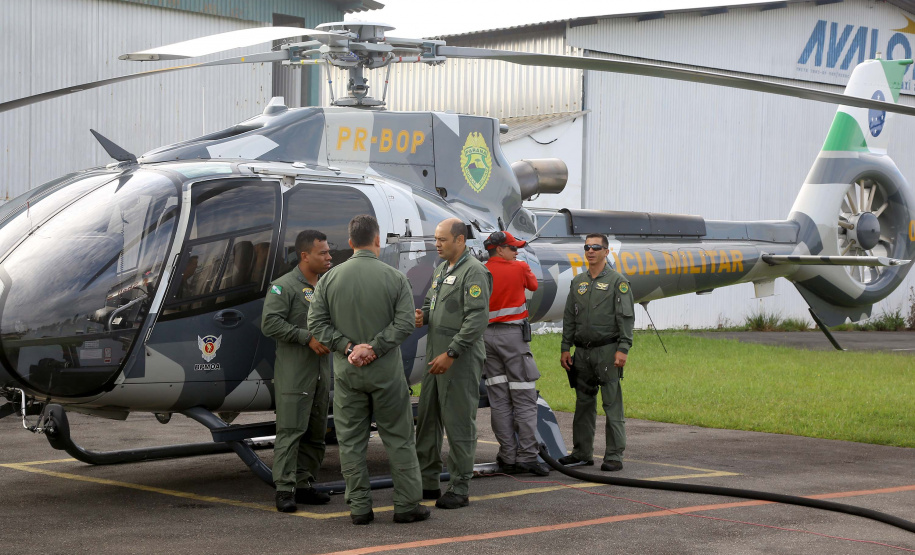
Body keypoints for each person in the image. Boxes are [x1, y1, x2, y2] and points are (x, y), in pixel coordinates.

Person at [307, 215, 429, 525]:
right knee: (399, 439)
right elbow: (404, 324)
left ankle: (359, 508)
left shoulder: (329, 279)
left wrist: (349, 348)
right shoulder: (395, 278)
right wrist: (373, 347)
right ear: (377, 240)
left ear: (349, 243)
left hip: (348, 374)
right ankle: (406, 506)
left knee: (351, 443)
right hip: (386, 373)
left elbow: (316, 325)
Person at [414, 218, 492, 510]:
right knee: (428, 421)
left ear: (460, 240)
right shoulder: (441, 269)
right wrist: (424, 316)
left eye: (443, 239)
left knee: (458, 424)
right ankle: (428, 481)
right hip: (436, 356)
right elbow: (435, 305)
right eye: (436, 239)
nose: (437, 244)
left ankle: (460, 487)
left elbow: (476, 320)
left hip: (458, 359)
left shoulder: (474, 272)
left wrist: (452, 353)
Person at [261, 230, 333, 512]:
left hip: (320, 373)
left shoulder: (327, 285)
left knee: (316, 433)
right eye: (323, 253)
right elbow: (270, 324)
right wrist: (307, 338)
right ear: (305, 255)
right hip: (295, 373)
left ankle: (304, 484)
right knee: (291, 431)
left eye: (329, 252)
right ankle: (284, 488)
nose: (329, 257)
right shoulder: (284, 286)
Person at [559, 233, 634, 472]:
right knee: (583, 403)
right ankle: (582, 452)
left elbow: (625, 317)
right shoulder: (578, 281)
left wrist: (623, 348)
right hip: (582, 353)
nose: (590, 251)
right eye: (587, 247)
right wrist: (565, 347)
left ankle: (614, 455)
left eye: (595, 247)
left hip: (607, 351)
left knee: (612, 404)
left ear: (606, 251)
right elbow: (570, 315)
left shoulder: (617, 282)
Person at [482, 231, 550, 477]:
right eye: (512, 248)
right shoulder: (519, 268)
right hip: (513, 339)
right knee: (523, 398)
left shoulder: (480, 270)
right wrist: (521, 266)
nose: (517, 252)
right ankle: (528, 456)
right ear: (499, 249)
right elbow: (533, 285)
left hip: (486, 339)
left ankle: (507, 456)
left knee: (499, 400)